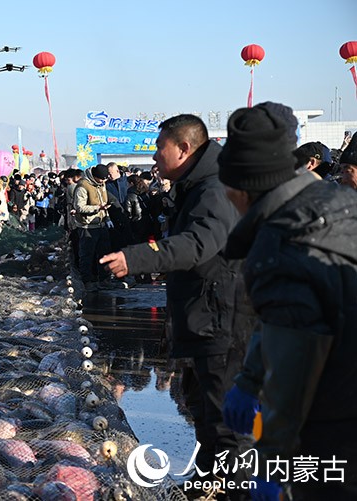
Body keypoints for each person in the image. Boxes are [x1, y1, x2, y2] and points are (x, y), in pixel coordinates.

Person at [100, 114, 253, 496]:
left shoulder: (215, 189)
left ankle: (236, 490)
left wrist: (136, 259)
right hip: (205, 316)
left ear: (184, 149)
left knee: (226, 424)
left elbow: (198, 244)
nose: (154, 157)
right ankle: (207, 485)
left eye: (158, 148)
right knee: (202, 412)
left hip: (223, 320)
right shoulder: (197, 184)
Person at [220, 103, 357, 500]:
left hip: (338, 424)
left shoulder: (280, 244)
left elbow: (295, 365)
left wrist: (272, 461)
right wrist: (249, 379)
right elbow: (287, 318)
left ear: (244, 188)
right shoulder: (338, 202)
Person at [73, 163, 113, 292]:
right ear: (95, 177)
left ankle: (104, 279)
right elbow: (79, 207)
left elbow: (104, 202)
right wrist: (97, 208)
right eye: (101, 179)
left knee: (104, 253)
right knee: (87, 254)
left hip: (101, 223)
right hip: (87, 226)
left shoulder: (102, 184)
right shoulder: (83, 186)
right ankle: (88, 281)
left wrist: (107, 218)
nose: (103, 181)